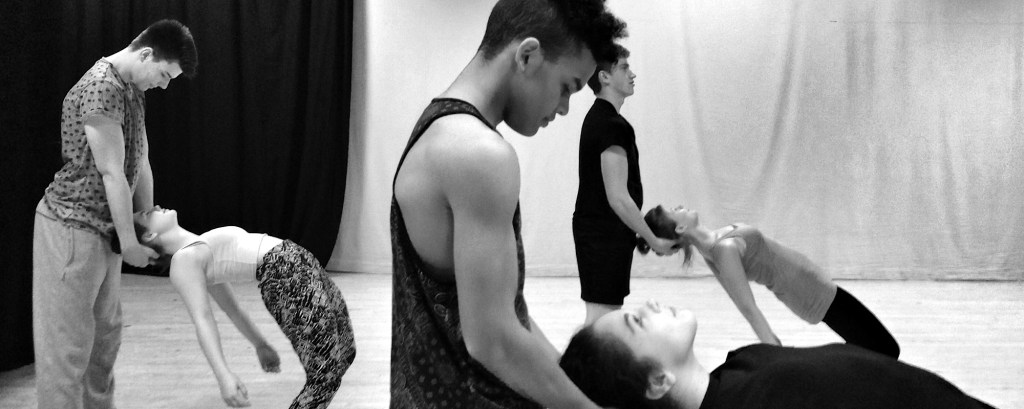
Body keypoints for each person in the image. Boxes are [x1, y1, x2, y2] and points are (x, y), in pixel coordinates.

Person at [389, 0, 627, 407]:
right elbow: (494, 341)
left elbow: (505, 315)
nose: (565, 108)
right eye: (567, 87)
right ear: (528, 55)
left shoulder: (438, 128)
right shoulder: (479, 154)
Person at [32, 19, 197, 409]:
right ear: (145, 54)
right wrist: (130, 243)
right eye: (164, 74)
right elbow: (110, 172)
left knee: (104, 341)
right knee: (67, 350)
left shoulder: (130, 87)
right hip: (72, 227)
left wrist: (148, 219)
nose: (164, 84)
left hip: (102, 229)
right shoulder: (101, 87)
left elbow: (140, 159)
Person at [558, 300, 996, 409]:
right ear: (657, 381)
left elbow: (881, 358)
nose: (648, 304)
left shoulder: (743, 361)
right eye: (637, 322)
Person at [125, 206, 356, 408]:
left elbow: (232, 310)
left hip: (301, 264)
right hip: (286, 274)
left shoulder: (198, 245)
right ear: (149, 235)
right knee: (324, 377)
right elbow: (203, 318)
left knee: (345, 351)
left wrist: (260, 345)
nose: (155, 206)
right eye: (147, 213)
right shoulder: (183, 261)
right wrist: (224, 376)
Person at [637, 205, 900, 358]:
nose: (680, 205)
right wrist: (772, 347)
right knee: (886, 350)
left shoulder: (714, 245)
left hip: (812, 283)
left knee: (875, 350)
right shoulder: (722, 250)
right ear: (680, 229)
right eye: (674, 210)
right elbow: (746, 306)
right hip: (809, 294)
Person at [573, 44, 677, 326]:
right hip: (602, 234)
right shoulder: (611, 124)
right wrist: (653, 239)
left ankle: (578, 369)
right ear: (605, 77)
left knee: (602, 319)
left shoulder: (601, 119)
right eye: (624, 67)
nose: (632, 74)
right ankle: (574, 370)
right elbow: (618, 197)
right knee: (602, 321)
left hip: (603, 233)